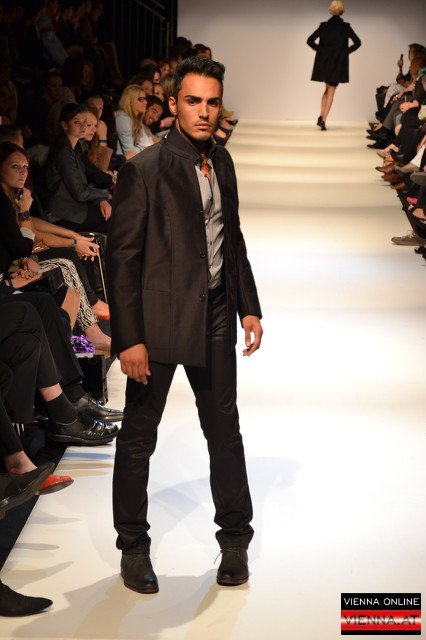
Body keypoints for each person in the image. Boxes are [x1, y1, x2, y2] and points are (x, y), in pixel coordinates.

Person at [106, 56, 263, 594]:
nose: (203, 111)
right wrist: (129, 337)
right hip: (158, 321)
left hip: (216, 312)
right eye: (193, 101)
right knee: (138, 436)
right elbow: (122, 259)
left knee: (224, 431)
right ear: (173, 104)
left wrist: (248, 305)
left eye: (212, 102)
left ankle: (235, 540)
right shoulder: (144, 169)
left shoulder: (224, 162)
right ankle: (132, 546)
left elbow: (231, 237)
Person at [307, 0, 361, 130]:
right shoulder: (345, 27)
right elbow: (358, 42)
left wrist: (321, 50)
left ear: (330, 10)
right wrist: (345, 52)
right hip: (338, 62)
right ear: (342, 11)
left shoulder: (324, 26)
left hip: (324, 62)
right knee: (331, 91)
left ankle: (321, 115)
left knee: (327, 89)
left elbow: (310, 41)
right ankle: (323, 119)